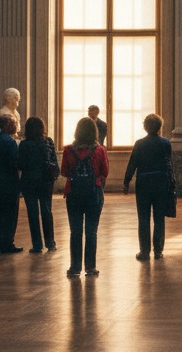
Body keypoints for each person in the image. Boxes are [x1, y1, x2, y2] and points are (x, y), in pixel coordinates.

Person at [62, 116, 109, 276]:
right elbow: (105, 172)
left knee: (75, 232)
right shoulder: (100, 150)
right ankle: (90, 267)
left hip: (73, 194)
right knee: (91, 231)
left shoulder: (68, 150)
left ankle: (75, 267)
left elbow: (64, 172)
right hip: (93, 193)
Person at [123, 113, 173, 261]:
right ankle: (158, 251)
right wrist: (172, 183)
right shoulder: (165, 143)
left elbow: (132, 163)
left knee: (143, 218)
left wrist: (127, 181)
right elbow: (169, 165)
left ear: (145, 127)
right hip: (161, 182)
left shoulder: (139, 144)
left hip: (143, 183)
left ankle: (144, 252)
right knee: (159, 218)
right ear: (159, 127)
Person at [18, 116, 58, 254]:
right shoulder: (48, 142)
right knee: (47, 211)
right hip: (46, 181)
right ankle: (50, 243)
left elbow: (20, 164)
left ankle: (37, 244)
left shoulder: (24, 145)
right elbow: (54, 162)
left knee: (33, 213)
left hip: (29, 181)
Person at [0, 115, 22, 254]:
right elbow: (15, 162)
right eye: (13, 123)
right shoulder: (10, 142)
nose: (15, 125)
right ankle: (8, 243)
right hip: (9, 183)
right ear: (6, 125)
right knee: (10, 215)